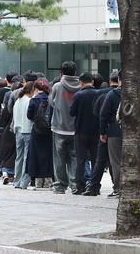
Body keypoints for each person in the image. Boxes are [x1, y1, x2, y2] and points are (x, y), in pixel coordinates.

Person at [49, 61, 81, 194]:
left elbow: (51, 102)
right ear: (75, 72)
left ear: (61, 72)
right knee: (74, 157)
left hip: (59, 127)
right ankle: (75, 185)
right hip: (75, 128)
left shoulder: (57, 86)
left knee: (59, 158)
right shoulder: (81, 86)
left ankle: (60, 185)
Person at [70, 72, 100, 195]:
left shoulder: (78, 95)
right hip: (96, 130)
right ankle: (94, 186)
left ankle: (80, 186)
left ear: (81, 82)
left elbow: (72, 112)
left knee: (81, 159)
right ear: (92, 82)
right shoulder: (99, 94)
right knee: (95, 159)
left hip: (81, 130)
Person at [98, 72, 122, 197]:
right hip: (136, 133)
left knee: (116, 161)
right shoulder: (138, 93)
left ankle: (118, 188)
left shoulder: (112, 94)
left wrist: (103, 132)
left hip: (115, 131)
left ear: (119, 79)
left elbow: (104, 114)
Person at [27, 78, 53, 189]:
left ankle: (37, 179)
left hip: (37, 131)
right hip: (49, 131)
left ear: (36, 88)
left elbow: (29, 116)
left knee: (35, 154)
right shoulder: (51, 99)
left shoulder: (33, 100)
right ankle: (49, 179)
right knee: (48, 154)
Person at [13, 81, 35, 189]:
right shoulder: (29, 101)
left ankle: (16, 181)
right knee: (27, 157)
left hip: (17, 130)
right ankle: (24, 182)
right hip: (27, 130)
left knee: (19, 157)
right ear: (32, 90)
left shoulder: (18, 100)